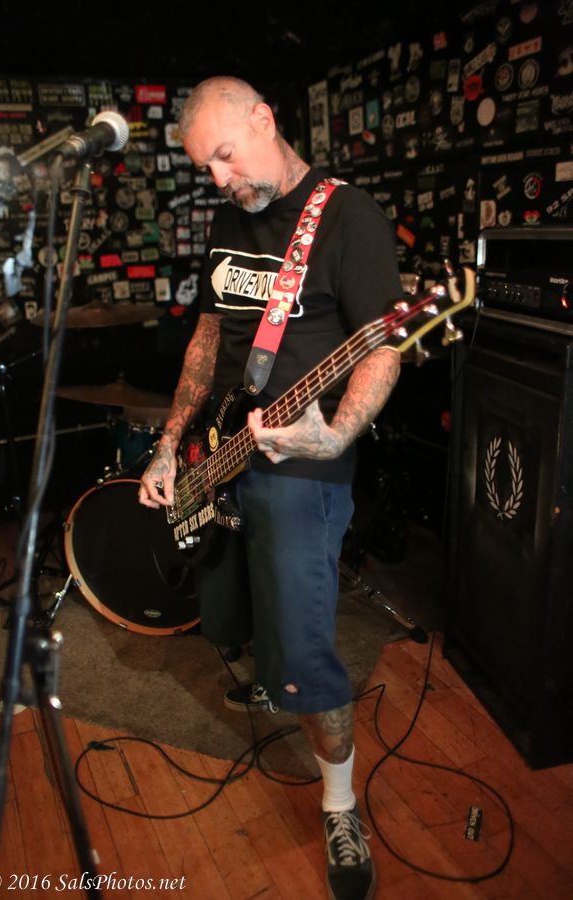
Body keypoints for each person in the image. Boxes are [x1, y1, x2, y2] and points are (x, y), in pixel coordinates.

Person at [139, 76, 402, 900]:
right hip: (223, 449)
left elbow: (383, 346)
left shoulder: (348, 217)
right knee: (228, 616)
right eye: (205, 168)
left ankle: (339, 805)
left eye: (225, 156)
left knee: (302, 651)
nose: (219, 179)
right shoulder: (231, 215)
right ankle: (262, 663)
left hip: (304, 461)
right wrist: (170, 442)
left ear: (264, 119)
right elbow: (211, 332)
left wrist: (338, 433)